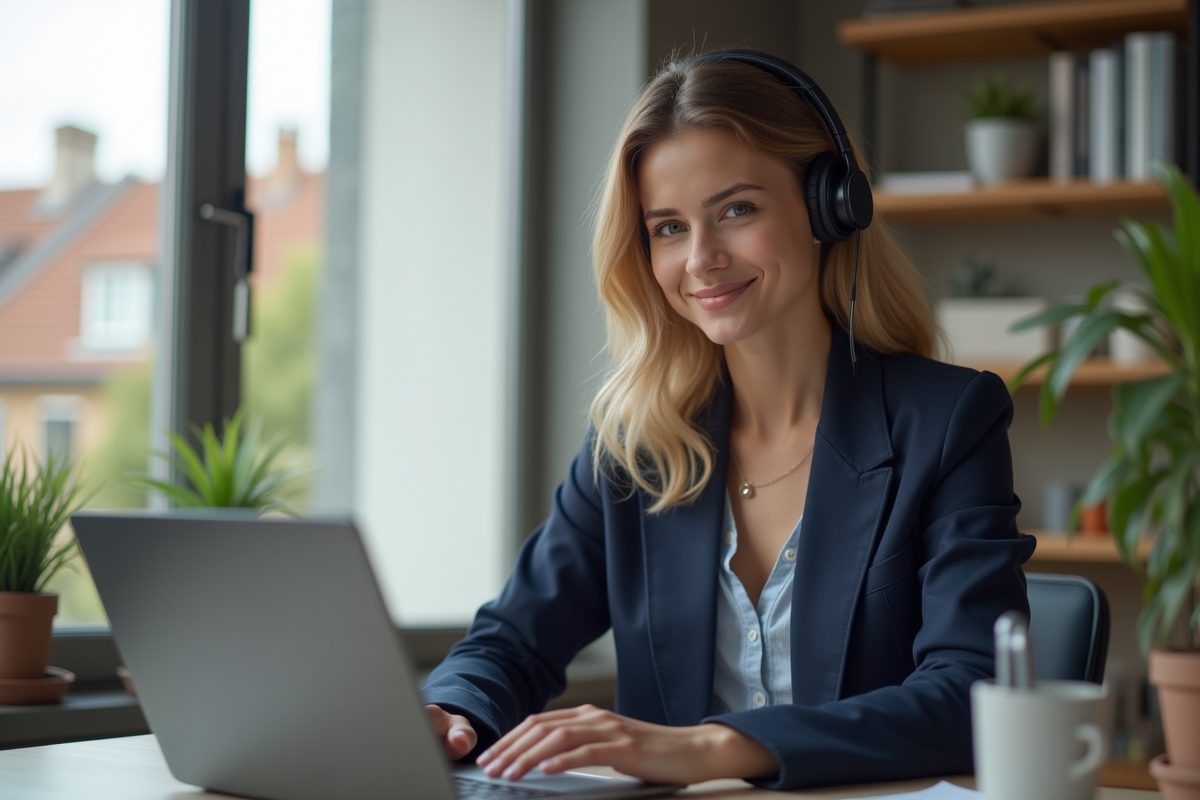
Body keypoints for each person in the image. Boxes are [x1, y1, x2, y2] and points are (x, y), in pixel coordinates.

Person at [422, 50, 1035, 791]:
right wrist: (450, 712)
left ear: (827, 207)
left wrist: (715, 747)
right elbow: (512, 641)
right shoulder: (637, 441)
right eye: (669, 228)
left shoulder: (946, 421)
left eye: (736, 211)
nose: (702, 259)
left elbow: (970, 692)